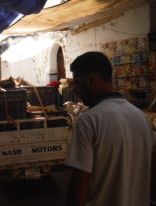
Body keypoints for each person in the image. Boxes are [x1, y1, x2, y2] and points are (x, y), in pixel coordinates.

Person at [65, 52, 153, 206]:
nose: (75, 90)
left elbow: (80, 184)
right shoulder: (142, 118)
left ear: (91, 81)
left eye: (77, 83)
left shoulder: (88, 120)